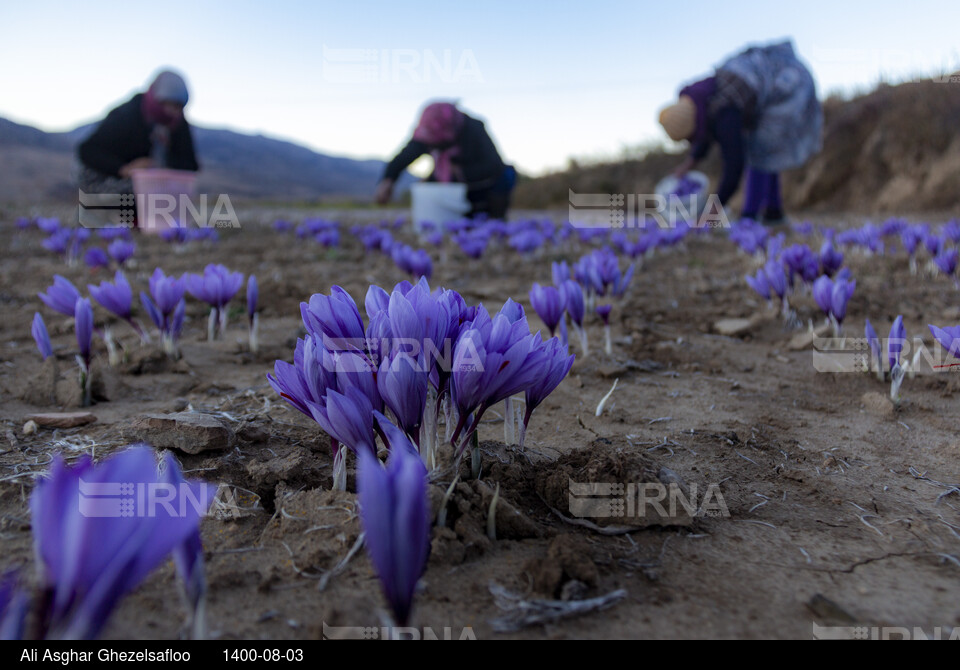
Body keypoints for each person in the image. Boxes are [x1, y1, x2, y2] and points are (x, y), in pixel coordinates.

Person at [658, 40, 822, 224]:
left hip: (786, 83)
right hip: (775, 75)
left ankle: (751, 216)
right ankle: (773, 212)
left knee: (761, 150)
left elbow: (734, 167)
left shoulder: (725, 111)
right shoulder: (702, 99)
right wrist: (688, 164)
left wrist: (711, 214)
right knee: (766, 151)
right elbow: (705, 136)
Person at [375, 101, 517, 219]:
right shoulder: (429, 133)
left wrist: (461, 172)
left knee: (507, 175)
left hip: (480, 185)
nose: (430, 145)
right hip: (449, 183)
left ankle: (495, 220)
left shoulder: (473, 129)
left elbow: (493, 166)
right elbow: (405, 156)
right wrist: (388, 179)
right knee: (427, 186)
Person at [77, 70, 199, 195]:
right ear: (158, 100)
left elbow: (190, 164)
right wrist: (124, 169)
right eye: (171, 105)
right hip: (113, 177)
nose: (175, 112)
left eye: (179, 107)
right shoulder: (126, 115)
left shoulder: (178, 122)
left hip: (155, 184)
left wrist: (165, 170)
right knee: (135, 192)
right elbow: (88, 150)